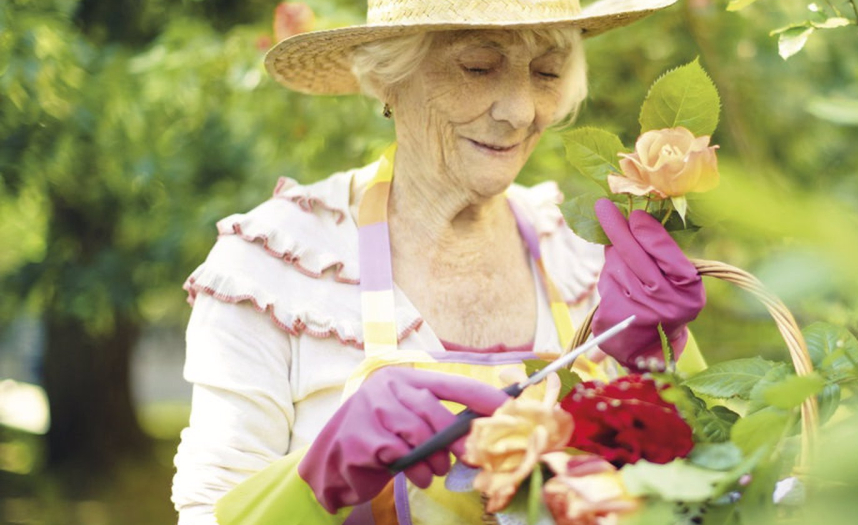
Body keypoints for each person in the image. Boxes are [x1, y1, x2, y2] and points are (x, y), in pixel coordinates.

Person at [169, 0, 707, 524]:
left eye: (546, 72)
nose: (520, 111)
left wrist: (653, 370)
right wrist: (314, 485)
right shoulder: (275, 263)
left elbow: (713, 488)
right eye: (476, 66)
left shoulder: (584, 255)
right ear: (388, 77)